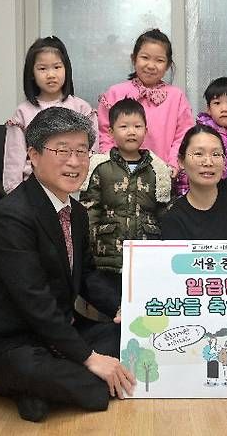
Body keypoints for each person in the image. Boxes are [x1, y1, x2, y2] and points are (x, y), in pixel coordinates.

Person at [0, 107, 136, 422]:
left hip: (61, 332)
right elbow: (34, 301)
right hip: (13, 342)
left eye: (82, 151)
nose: (74, 162)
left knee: (125, 338)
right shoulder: (11, 216)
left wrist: (122, 308)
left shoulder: (78, 214)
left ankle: (39, 392)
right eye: (62, 151)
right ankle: (49, 384)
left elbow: (87, 276)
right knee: (85, 381)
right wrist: (89, 358)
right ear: (33, 154)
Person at [79, 98, 171, 304]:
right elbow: (89, 210)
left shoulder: (157, 168)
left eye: (137, 126)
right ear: (111, 132)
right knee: (111, 303)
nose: (131, 131)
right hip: (107, 255)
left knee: (143, 304)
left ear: (146, 131)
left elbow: (163, 211)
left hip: (147, 254)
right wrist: (87, 247)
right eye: (124, 126)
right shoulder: (99, 167)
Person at [3, 36, 98, 194]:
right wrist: (15, 196)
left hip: (76, 189)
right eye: (42, 68)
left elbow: (92, 154)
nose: (51, 74)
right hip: (34, 191)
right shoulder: (23, 112)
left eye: (57, 67)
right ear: (32, 73)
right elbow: (14, 161)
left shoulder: (82, 108)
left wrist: (88, 189)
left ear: (66, 69)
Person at [97, 28, 194, 175]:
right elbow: (104, 131)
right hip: (118, 173)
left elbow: (184, 134)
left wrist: (173, 162)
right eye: (145, 57)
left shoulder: (176, 96)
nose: (151, 65)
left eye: (159, 60)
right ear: (134, 58)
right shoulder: (115, 93)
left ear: (168, 65)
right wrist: (110, 162)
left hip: (162, 174)